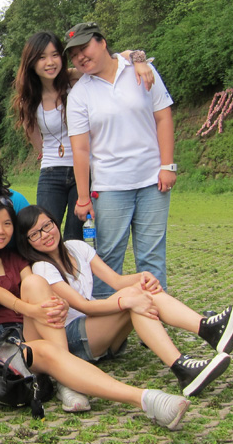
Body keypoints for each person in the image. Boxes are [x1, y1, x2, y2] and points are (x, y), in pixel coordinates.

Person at [0, 198, 191, 429]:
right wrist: (33, 310)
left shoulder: (14, 258)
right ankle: (147, 400)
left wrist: (58, 304)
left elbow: (37, 288)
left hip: (23, 333)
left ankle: (66, 380)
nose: (0, 230)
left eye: (7, 224)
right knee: (48, 349)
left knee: (35, 283)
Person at [16, 205, 233, 396]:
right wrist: (126, 302)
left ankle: (204, 333)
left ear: (55, 222)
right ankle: (192, 353)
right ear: (28, 242)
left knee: (140, 290)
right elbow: (84, 306)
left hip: (98, 331)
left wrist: (142, 278)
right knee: (133, 299)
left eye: (47, 225)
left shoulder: (76, 247)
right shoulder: (42, 268)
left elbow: (116, 280)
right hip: (74, 338)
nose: (45, 235)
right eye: (35, 234)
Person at [66, 22, 175, 298]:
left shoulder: (142, 70)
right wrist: (83, 198)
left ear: (102, 42)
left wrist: (167, 166)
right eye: (74, 55)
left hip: (153, 182)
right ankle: (105, 317)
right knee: (108, 258)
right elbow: (80, 150)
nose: (80, 57)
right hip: (110, 187)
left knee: (152, 257)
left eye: (84, 48)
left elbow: (163, 117)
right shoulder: (79, 94)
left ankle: (155, 316)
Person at [11, 31, 154, 241]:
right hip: (51, 171)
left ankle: (79, 263)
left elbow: (117, 58)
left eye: (55, 55)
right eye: (42, 57)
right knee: (44, 231)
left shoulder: (75, 79)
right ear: (31, 62)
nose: (50, 62)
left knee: (75, 236)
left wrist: (139, 61)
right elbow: (33, 136)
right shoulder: (28, 99)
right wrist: (44, 152)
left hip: (84, 170)